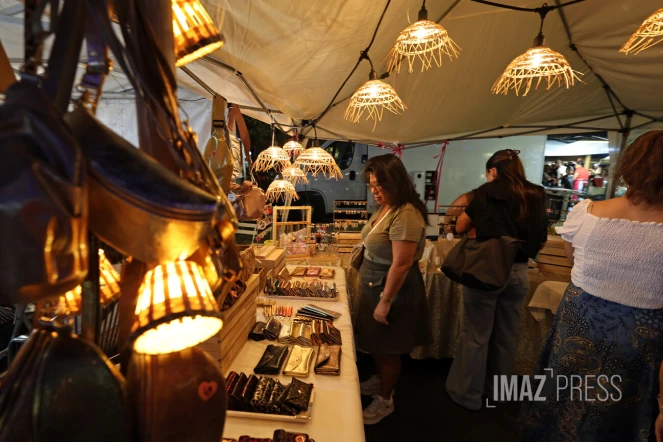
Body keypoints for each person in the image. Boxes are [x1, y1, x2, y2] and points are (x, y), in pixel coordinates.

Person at [521, 130, 663, 442]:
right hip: (640, 340)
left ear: (630, 166)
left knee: (563, 403)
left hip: (580, 324)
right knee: (617, 417)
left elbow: (574, 265)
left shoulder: (586, 213)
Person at [445, 149, 548, 410]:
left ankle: (467, 395)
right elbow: (541, 235)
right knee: (506, 335)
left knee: (476, 335)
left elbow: (459, 226)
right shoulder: (535, 194)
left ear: (493, 171)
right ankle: (498, 394)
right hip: (519, 271)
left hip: (486, 270)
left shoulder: (486, 192)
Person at [356, 154, 432, 425]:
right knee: (376, 341)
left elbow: (401, 264)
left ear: (396, 181)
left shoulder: (407, 214)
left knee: (388, 347)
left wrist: (385, 301)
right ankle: (381, 381)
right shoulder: (387, 206)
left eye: (380, 185)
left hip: (391, 288)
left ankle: (386, 399)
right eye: (371, 185)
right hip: (374, 282)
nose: (375, 191)